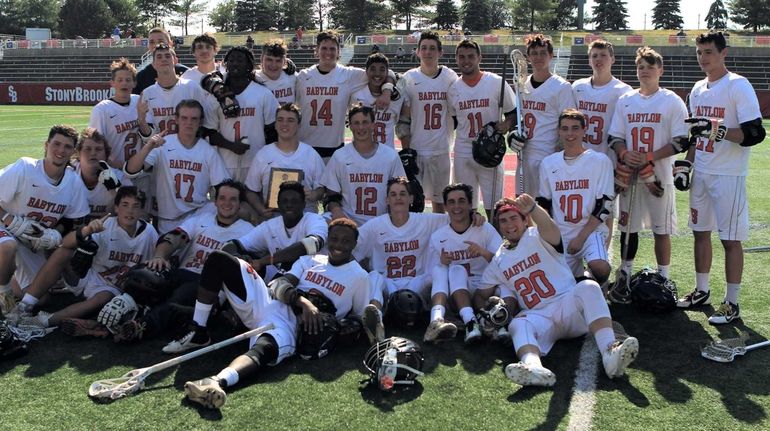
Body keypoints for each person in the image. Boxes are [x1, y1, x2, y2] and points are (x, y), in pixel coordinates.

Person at [476, 195, 639, 387]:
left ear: (524, 220)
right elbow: (481, 294)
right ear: (498, 225)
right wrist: (485, 313)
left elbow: (550, 228)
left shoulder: (537, 235)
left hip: (568, 306)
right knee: (518, 324)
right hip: (540, 317)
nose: (509, 224)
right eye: (503, 220)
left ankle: (609, 352)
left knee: (588, 287)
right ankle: (532, 367)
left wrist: (534, 209)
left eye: (514, 218)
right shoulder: (498, 260)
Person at [71, 180, 255, 341]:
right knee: (146, 275)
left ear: (240, 204)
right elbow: (174, 238)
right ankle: (111, 321)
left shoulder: (248, 231)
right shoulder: (201, 220)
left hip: (208, 285)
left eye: (233, 199)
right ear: (215, 201)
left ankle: (137, 327)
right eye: (222, 198)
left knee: (178, 298)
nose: (227, 203)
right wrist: (159, 256)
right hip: (183, 273)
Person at [675, 31, 765, 324]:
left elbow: (754, 133)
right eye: (699, 52)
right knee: (700, 232)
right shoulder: (698, 88)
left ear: (724, 53)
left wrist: (720, 130)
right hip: (701, 170)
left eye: (709, 52)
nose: (703, 58)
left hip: (728, 174)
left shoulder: (738, 85)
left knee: (730, 239)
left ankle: (732, 302)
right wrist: (687, 164)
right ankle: (702, 290)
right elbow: (695, 134)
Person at [353, 177, 484, 344]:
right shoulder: (374, 226)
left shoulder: (425, 220)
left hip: (417, 283)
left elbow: (455, 215)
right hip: (388, 284)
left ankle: (436, 320)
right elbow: (352, 245)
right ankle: (375, 319)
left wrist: (474, 214)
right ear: (387, 199)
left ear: (411, 199)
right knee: (373, 276)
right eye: (393, 194)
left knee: (440, 270)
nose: (398, 198)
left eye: (402, 193)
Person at [6, 187, 157, 329]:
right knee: (62, 251)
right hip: (88, 275)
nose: (130, 210)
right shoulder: (106, 226)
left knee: (102, 298)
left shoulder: (149, 232)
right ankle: (25, 305)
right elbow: (65, 243)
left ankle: (43, 321)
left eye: (136, 206)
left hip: (113, 287)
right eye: (125, 204)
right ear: (116, 208)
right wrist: (87, 230)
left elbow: (156, 261)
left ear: (142, 210)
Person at [606, 47, 689, 303]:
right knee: (627, 228)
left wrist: (649, 156)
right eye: (641, 67)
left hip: (658, 175)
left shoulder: (672, 100)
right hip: (630, 175)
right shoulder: (626, 100)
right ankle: (625, 275)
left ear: (660, 71)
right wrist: (624, 153)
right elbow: (614, 137)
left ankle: (663, 276)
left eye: (650, 67)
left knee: (660, 229)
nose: (645, 71)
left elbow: (681, 141)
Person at [0, 125, 90, 314]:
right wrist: (11, 220)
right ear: (46, 145)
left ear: (73, 151)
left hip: (31, 240)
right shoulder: (25, 167)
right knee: (7, 246)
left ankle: (9, 276)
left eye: (67, 146)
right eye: (56, 144)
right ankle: (3, 294)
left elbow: (74, 220)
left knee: (40, 298)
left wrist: (54, 233)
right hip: (5, 228)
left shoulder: (73, 182)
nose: (60, 150)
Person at [125, 99, 230, 233]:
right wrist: (148, 146)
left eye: (194, 119)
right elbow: (131, 171)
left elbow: (224, 186)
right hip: (166, 220)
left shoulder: (208, 151)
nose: (189, 123)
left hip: (196, 219)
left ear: (200, 122)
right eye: (184, 118)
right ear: (176, 119)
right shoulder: (164, 144)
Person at [538, 109, 614, 285]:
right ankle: (580, 279)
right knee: (558, 285)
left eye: (574, 128)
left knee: (600, 266)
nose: (569, 133)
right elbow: (544, 204)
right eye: (565, 128)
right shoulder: (548, 163)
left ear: (583, 130)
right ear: (558, 131)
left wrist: (581, 238)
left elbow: (605, 205)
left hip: (590, 231)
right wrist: (550, 238)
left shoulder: (600, 161)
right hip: (562, 233)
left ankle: (599, 284)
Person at [295, 31, 394, 161]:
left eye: (332, 49)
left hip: (334, 147)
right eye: (324, 48)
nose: (328, 52)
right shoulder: (303, 76)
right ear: (317, 50)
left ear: (339, 52)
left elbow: (388, 73)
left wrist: (387, 91)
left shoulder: (348, 75)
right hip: (305, 146)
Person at [571, 40, 632, 249]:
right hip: (580, 160)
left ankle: (603, 260)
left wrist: (623, 165)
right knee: (579, 210)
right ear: (589, 60)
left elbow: (626, 131)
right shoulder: (577, 87)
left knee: (606, 213)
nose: (598, 59)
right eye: (594, 55)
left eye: (603, 55)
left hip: (608, 161)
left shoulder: (623, 91)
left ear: (612, 59)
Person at [448, 39, 516, 219]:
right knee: (466, 207)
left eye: (471, 56)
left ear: (480, 58)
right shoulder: (453, 89)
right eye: (461, 57)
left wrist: (507, 124)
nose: (466, 61)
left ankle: (496, 243)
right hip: (463, 151)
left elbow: (514, 112)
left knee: (494, 207)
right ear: (456, 59)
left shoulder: (496, 82)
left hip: (490, 151)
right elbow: (455, 120)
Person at [428, 183, 502, 343]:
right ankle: (471, 322)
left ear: (470, 204)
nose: (457, 206)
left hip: (486, 287)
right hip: (459, 292)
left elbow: (503, 264)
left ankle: (498, 323)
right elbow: (433, 276)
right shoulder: (438, 236)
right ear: (446, 206)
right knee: (455, 270)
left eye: (461, 201)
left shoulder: (485, 229)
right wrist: (442, 262)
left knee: (507, 286)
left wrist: (483, 252)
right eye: (452, 202)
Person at [396, 31, 458, 213]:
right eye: (424, 48)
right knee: (414, 203)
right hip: (417, 149)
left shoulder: (449, 77)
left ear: (440, 52)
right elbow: (403, 119)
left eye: (432, 48)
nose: (428, 52)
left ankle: (439, 241)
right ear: (417, 52)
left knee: (440, 204)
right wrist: (407, 150)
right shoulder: (409, 78)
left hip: (441, 148)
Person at [508, 34, 576, 197]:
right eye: (534, 53)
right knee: (522, 205)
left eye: (543, 53)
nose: (538, 57)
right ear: (528, 57)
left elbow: (569, 125)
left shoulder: (561, 87)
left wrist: (561, 157)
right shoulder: (522, 85)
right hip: (524, 155)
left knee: (546, 209)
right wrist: (514, 133)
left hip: (549, 156)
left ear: (551, 56)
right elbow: (521, 119)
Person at [321, 104, 406, 226]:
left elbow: (400, 192)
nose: (361, 127)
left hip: (381, 221)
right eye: (356, 123)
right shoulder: (340, 156)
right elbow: (331, 195)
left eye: (365, 122)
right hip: (348, 221)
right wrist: (337, 212)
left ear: (373, 124)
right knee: (322, 221)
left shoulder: (390, 156)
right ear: (349, 126)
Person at [205, 46, 280, 183]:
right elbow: (209, 132)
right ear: (226, 64)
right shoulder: (215, 96)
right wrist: (231, 146)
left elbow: (273, 132)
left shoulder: (263, 94)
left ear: (249, 65)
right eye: (231, 60)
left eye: (240, 60)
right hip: (224, 163)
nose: (235, 63)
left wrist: (268, 158)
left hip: (256, 162)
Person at [245, 104, 325, 218]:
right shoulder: (263, 154)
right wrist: (260, 209)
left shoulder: (311, 154)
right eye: (280, 120)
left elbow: (322, 189)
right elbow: (250, 190)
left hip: (305, 220)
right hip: (273, 220)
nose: (284, 124)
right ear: (275, 125)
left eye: (290, 120)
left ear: (298, 125)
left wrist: (313, 194)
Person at [89, 58, 142, 170]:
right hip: (116, 171)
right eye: (120, 80)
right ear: (112, 83)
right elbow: (95, 146)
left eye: (128, 80)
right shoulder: (102, 109)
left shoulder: (139, 102)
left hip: (140, 171)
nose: (124, 83)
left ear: (134, 83)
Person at [73, 128, 130, 222]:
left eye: (98, 149)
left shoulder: (119, 178)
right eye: (87, 149)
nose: (93, 153)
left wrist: (115, 190)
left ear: (106, 155)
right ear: (78, 153)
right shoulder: (68, 173)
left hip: (106, 232)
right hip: (75, 231)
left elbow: (130, 214)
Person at [350, 54, 404, 149]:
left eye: (382, 70)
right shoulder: (356, 95)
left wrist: (387, 90)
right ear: (366, 71)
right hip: (360, 153)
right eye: (373, 69)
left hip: (386, 154)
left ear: (387, 72)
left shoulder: (397, 97)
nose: (377, 73)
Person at [133, 28, 188, 95]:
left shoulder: (186, 73)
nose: (156, 45)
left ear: (170, 43)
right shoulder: (141, 77)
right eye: (152, 42)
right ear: (148, 46)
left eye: (160, 41)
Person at [256, 39, 297, 105]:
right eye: (269, 59)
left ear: (284, 61)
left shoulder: (294, 78)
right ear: (261, 59)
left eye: (278, 61)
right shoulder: (253, 78)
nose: (273, 65)